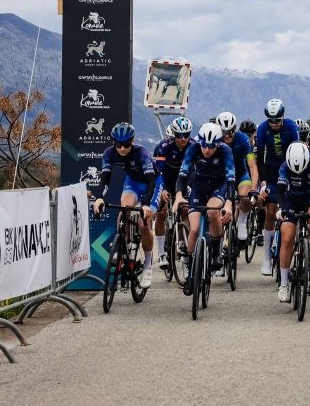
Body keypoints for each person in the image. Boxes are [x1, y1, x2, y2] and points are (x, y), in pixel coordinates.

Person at [92, 122, 158, 289]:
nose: (122, 148)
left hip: (153, 183)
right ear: (114, 142)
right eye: (119, 144)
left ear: (132, 141)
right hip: (133, 182)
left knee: (143, 224)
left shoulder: (141, 153)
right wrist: (99, 198)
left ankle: (148, 266)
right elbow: (105, 178)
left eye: (126, 144)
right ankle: (123, 245)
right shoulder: (109, 153)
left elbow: (151, 181)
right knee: (124, 209)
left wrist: (145, 204)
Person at [172, 123, 235, 295]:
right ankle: (191, 268)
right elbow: (183, 174)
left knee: (213, 212)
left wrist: (229, 203)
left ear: (218, 143)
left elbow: (231, 179)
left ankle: (215, 253)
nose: (207, 150)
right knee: (193, 229)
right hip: (199, 186)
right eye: (204, 145)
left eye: (212, 146)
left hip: (218, 186)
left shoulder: (225, 151)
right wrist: (178, 196)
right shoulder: (193, 149)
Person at [275, 142, 310, 302]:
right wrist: (281, 208)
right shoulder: (284, 167)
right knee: (287, 238)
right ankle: (284, 284)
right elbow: (280, 191)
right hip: (292, 200)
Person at [255, 99, 301, 276]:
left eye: (277, 120)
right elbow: (260, 158)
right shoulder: (262, 129)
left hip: (290, 171)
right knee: (271, 210)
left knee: (291, 211)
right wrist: (263, 183)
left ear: (282, 117)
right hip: (271, 172)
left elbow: (297, 151)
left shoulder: (291, 127)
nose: (273, 124)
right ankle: (266, 258)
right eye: (270, 120)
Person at [152, 116, 194, 268]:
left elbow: (195, 170)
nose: (183, 138)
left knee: (185, 210)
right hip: (166, 179)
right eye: (179, 135)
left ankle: (183, 243)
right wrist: (162, 189)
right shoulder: (163, 147)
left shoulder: (193, 146)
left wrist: (190, 187)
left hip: (184, 181)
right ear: (174, 134)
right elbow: (158, 172)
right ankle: (162, 253)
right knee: (161, 213)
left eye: (186, 135)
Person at [214, 112, 260, 242]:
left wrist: (254, 189)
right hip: (222, 177)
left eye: (231, 131)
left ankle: (242, 221)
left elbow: (252, 166)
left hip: (240, 174)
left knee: (245, 197)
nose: (227, 135)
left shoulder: (243, 139)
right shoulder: (215, 139)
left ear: (235, 129)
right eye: (224, 132)